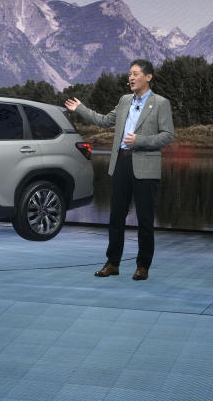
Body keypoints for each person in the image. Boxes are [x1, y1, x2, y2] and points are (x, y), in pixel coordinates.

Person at [65, 59, 174, 281]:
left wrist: (140, 140)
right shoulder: (124, 100)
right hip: (122, 163)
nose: (131, 78)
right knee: (116, 218)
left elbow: (168, 135)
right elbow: (104, 120)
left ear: (148, 77)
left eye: (135, 74)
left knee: (145, 219)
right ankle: (112, 263)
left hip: (145, 165)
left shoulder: (161, 103)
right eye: (129, 75)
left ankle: (143, 266)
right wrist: (80, 109)